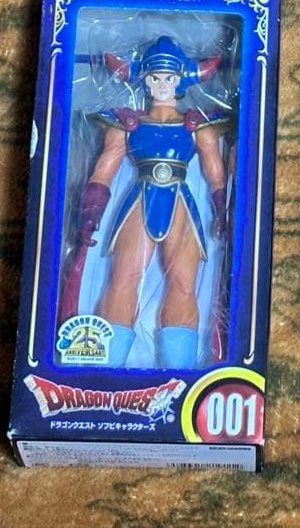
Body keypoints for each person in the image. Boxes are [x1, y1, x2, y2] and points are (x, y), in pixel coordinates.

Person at [75, 36, 228, 367]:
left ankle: (179, 371)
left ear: (180, 80)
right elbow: (103, 170)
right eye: (155, 77)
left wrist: (222, 209)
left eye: (168, 77)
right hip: (139, 201)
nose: (161, 84)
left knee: (184, 283)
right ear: (144, 80)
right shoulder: (127, 123)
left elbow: (216, 174)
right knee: (123, 278)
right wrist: (90, 212)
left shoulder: (196, 125)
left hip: (181, 203)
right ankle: (106, 367)